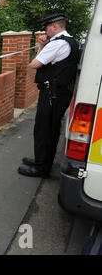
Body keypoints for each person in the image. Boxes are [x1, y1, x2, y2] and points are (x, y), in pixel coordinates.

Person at [18, 13, 80, 178]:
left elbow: (34, 64)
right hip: (60, 93)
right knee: (49, 129)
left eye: (46, 27)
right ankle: (42, 161)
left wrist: (41, 46)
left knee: (44, 129)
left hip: (53, 94)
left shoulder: (57, 43)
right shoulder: (71, 41)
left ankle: (41, 168)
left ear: (55, 26)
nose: (44, 31)